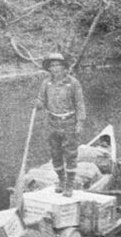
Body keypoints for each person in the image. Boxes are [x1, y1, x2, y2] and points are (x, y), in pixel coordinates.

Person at [36, 52, 86, 197]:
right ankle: (61, 181)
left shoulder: (73, 83)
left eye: (58, 65)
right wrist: (38, 104)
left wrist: (80, 123)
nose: (55, 68)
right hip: (52, 123)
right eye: (52, 66)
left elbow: (80, 104)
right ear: (49, 69)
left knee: (70, 154)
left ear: (65, 68)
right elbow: (41, 100)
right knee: (55, 154)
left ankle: (69, 184)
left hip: (69, 122)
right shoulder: (46, 83)